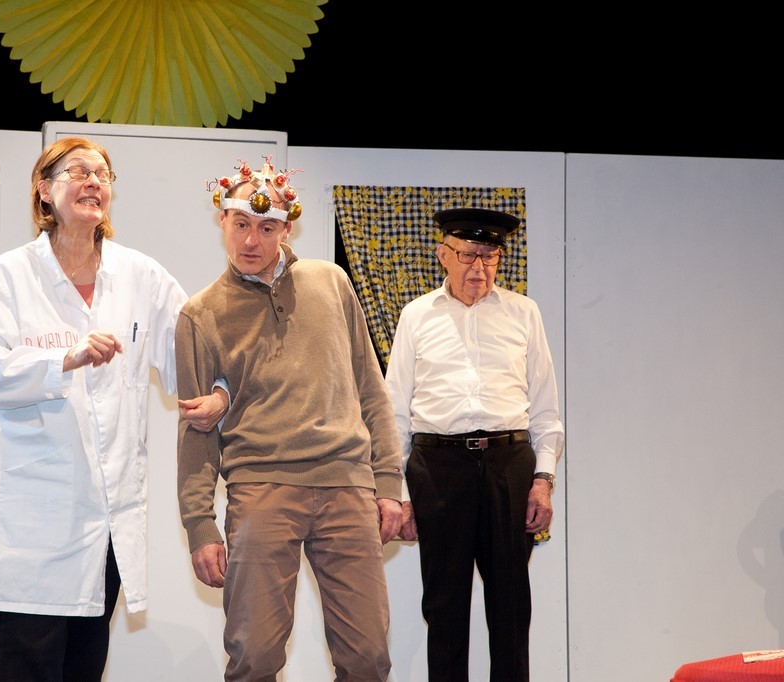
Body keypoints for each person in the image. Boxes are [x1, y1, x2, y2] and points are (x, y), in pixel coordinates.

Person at [0, 136, 226, 681]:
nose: (94, 181)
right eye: (78, 171)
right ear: (43, 190)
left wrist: (219, 392)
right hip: (30, 523)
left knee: (84, 666)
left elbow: (195, 352)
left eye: (102, 173)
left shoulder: (141, 277)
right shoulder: (8, 277)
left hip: (105, 523)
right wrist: (61, 360)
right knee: (26, 666)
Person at [175, 157, 405, 682]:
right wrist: (199, 525)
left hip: (348, 487)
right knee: (254, 657)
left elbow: (371, 388)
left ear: (286, 229)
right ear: (222, 221)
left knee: (368, 658)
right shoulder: (200, 314)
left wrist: (389, 483)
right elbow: (195, 430)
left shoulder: (331, 281)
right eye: (240, 224)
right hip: (261, 489)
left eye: (266, 227)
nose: (250, 240)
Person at [384, 207, 565, 682]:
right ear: (443, 255)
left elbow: (546, 411)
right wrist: (398, 495)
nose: (478, 268)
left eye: (490, 257)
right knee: (444, 607)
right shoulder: (416, 315)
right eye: (468, 255)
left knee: (511, 606)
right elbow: (394, 413)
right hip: (437, 468)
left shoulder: (524, 313)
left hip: (509, 464)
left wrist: (543, 480)